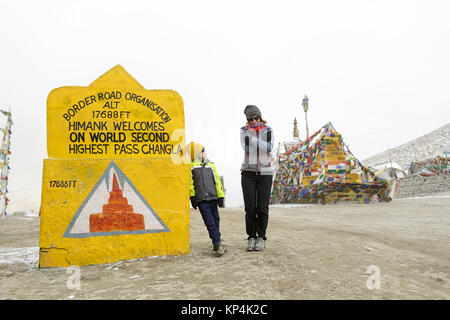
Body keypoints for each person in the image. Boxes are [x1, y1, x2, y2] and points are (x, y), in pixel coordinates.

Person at [240, 105, 274, 252]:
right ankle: (251, 237)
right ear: (247, 120)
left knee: (262, 207)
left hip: (265, 171)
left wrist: (254, 139)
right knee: (250, 207)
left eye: (256, 118)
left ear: (260, 117)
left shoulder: (269, 130)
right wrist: (259, 142)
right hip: (248, 172)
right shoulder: (243, 131)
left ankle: (261, 237)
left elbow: (269, 148)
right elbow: (247, 149)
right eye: (250, 119)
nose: (253, 121)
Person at [186, 142, 227, 257]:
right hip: (202, 200)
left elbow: (217, 181)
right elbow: (190, 183)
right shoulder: (191, 166)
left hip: (213, 197)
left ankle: (216, 242)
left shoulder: (210, 165)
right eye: (203, 151)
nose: (205, 153)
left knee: (216, 220)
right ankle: (217, 243)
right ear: (197, 153)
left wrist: (220, 196)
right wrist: (192, 196)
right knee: (210, 222)